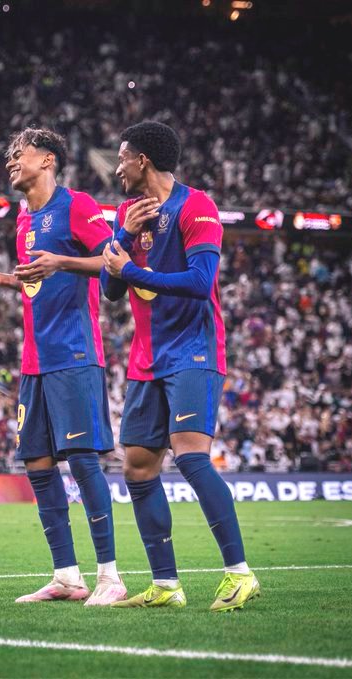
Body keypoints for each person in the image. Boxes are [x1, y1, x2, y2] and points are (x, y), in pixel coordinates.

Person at [0, 127, 127, 606]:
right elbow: (38, 279)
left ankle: (110, 576)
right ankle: (67, 576)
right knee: (36, 463)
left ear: (48, 159)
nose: (12, 161)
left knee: (81, 460)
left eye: (21, 153)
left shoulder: (76, 205)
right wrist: (4, 279)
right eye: (9, 155)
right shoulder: (23, 219)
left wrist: (61, 262)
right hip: (34, 361)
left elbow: (113, 260)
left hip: (74, 353)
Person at [101, 121, 260, 611]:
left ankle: (239, 574)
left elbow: (200, 281)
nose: (117, 168)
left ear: (143, 160)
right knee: (138, 467)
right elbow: (110, 289)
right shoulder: (126, 213)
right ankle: (166, 585)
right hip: (146, 358)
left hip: (194, 349)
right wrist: (124, 236)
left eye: (122, 158)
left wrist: (132, 269)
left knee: (191, 457)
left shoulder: (197, 206)